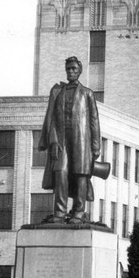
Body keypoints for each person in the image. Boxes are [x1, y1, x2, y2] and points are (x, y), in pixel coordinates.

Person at [38, 56, 101, 224]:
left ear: (79, 71)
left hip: (81, 141)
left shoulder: (87, 93)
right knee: (61, 173)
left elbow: (94, 120)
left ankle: (79, 212)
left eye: (74, 69)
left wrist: (96, 146)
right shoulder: (57, 91)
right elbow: (50, 117)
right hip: (60, 140)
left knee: (81, 175)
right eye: (68, 69)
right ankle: (59, 212)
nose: (71, 72)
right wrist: (51, 140)